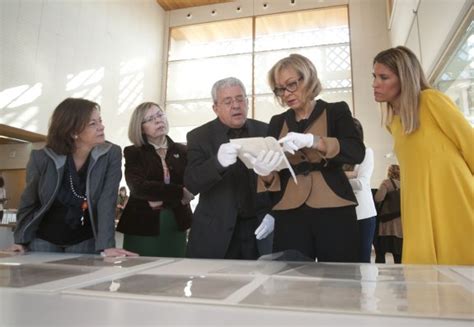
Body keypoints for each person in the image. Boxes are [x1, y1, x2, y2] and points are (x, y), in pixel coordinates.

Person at [245, 53, 365, 262]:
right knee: (292, 283)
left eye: (291, 84)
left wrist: (314, 141)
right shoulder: (277, 122)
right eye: (280, 89)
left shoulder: (336, 110)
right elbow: (275, 175)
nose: (286, 94)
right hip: (289, 211)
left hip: (334, 206)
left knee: (341, 280)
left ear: (308, 78)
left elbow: (356, 151)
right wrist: (264, 174)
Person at [372, 46, 474, 265]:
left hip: (453, 195)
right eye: (374, 76)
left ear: (404, 78)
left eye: (384, 77)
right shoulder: (394, 122)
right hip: (417, 201)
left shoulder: (431, 101)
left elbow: (470, 144)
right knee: (424, 271)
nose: (375, 83)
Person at [5, 98, 136, 257]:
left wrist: (107, 245)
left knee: (85, 281)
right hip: (43, 238)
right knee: (41, 281)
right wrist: (20, 240)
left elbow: (107, 201)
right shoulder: (42, 157)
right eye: (92, 124)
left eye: (100, 121)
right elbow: (29, 201)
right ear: (73, 132)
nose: (101, 126)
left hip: (85, 238)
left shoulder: (111, 154)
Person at [184, 77, 274, 259]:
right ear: (215, 108)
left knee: (264, 286)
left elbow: (283, 178)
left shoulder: (266, 131)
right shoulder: (199, 136)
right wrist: (217, 163)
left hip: (260, 229)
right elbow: (192, 183)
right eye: (228, 101)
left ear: (247, 102)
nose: (236, 105)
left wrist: (275, 213)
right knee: (215, 287)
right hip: (215, 233)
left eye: (240, 99)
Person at [116, 102, 193, 257]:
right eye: (150, 119)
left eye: (160, 115)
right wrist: (179, 192)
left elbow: (191, 185)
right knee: (139, 277)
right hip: (142, 226)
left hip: (176, 223)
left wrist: (159, 199)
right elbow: (138, 188)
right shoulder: (133, 152)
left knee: (175, 276)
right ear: (140, 127)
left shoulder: (184, 151)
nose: (158, 120)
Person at [344, 118, 377, 263]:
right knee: (345, 262)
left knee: (363, 262)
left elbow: (362, 183)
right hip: (342, 215)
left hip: (364, 215)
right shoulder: (338, 154)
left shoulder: (366, 152)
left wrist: (338, 177)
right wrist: (350, 175)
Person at [373, 164, 402, 264]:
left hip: (386, 226)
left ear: (389, 172)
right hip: (400, 227)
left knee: (380, 254)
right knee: (398, 257)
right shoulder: (406, 184)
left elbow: (378, 198)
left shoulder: (386, 183)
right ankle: (400, 277)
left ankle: (378, 277)